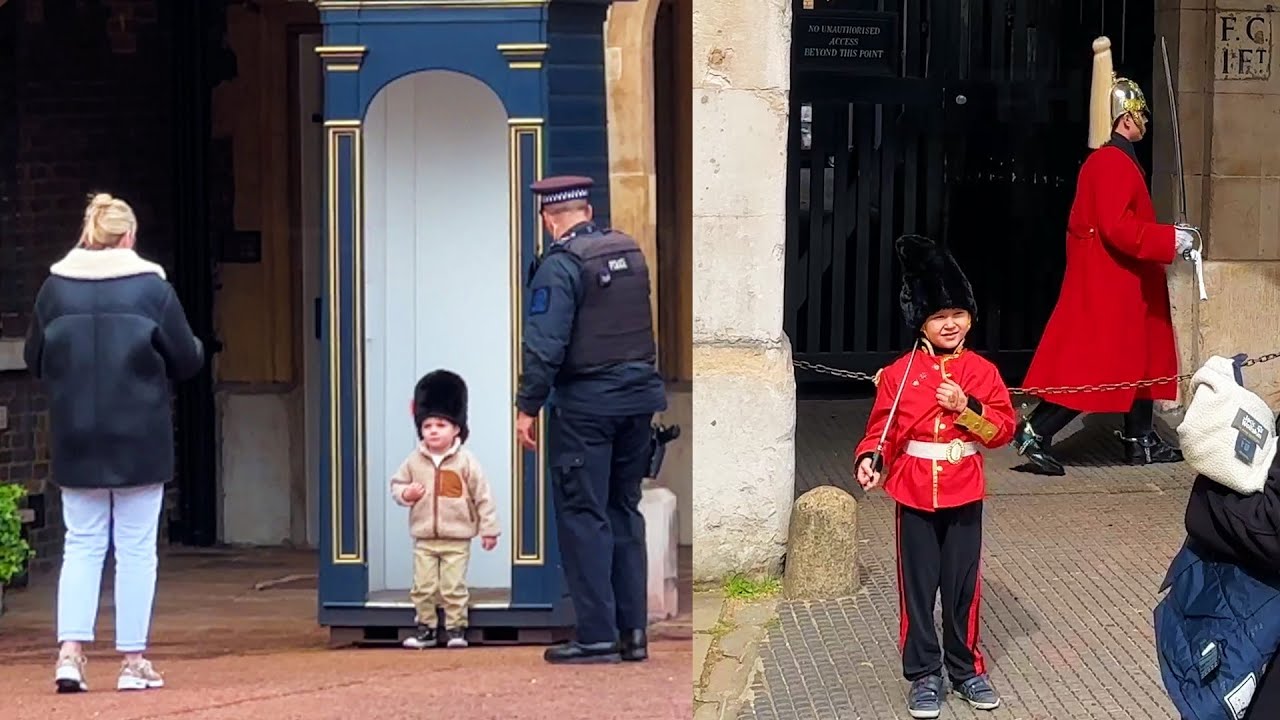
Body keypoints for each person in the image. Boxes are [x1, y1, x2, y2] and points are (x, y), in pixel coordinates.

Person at [23, 193, 204, 693]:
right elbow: (186, 360)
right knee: (135, 550)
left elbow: (33, 356)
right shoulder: (151, 288)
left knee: (80, 545)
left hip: (76, 431)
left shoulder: (54, 289)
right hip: (140, 434)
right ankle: (132, 661)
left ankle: (70, 654)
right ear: (129, 236)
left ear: (89, 233)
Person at [1011, 36, 1199, 476]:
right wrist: (1171, 240)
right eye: (1141, 115)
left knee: (1141, 361)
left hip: (1128, 283)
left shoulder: (1114, 161)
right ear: (1128, 116)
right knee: (1096, 372)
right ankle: (1035, 431)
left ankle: (1140, 439)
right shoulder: (1112, 163)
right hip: (1114, 285)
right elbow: (1118, 229)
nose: (1146, 122)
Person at [854, 235, 1015, 719]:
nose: (951, 324)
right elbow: (881, 431)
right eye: (939, 315)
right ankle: (925, 674)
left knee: (962, 587)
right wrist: (870, 460)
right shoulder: (901, 373)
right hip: (914, 493)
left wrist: (966, 409)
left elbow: (1003, 430)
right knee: (919, 591)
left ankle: (966, 670)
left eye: (958, 314)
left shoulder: (982, 372)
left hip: (965, 490)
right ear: (921, 321)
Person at [514, 175, 667, 664]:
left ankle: (596, 634)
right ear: (586, 209)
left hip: (587, 406)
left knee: (584, 514)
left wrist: (527, 405)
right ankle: (633, 634)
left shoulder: (561, 265)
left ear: (548, 217)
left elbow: (546, 344)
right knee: (625, 510)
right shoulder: (628, 251)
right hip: (639, 400)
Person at [391, 370, 500, 650]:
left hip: (456, 538)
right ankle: (425, 628)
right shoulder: (413, 461)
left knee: (453, 587)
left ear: (456, 429)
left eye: (441, 424)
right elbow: (397, 485)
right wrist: (406, 493)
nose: (434, 431)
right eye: (427, 426)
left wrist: (489, 529)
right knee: (423, 587)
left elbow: (483, 496)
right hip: (424, 538)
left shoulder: (466, 462)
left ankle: (455, 628)